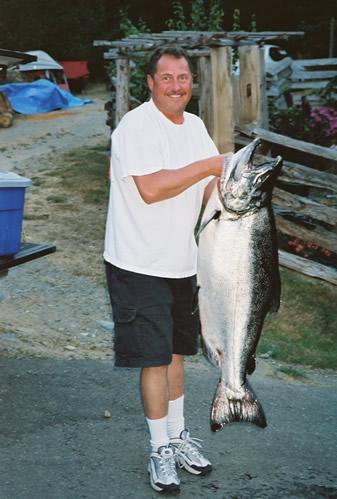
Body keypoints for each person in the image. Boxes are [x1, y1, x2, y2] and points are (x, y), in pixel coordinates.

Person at [104, 46, 229, 493]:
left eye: (184, 77)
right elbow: (153, 189)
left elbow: (206, 188)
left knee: (176, 356)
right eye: (168, 78)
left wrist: (234, 191)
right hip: (138, 262)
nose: (177, 85)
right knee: (155, 359)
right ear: (151, 83)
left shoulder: (194, 126)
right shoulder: (135, 127)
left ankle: (178, 438)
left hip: (181, 262)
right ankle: (159, 448)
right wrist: (209, 166)